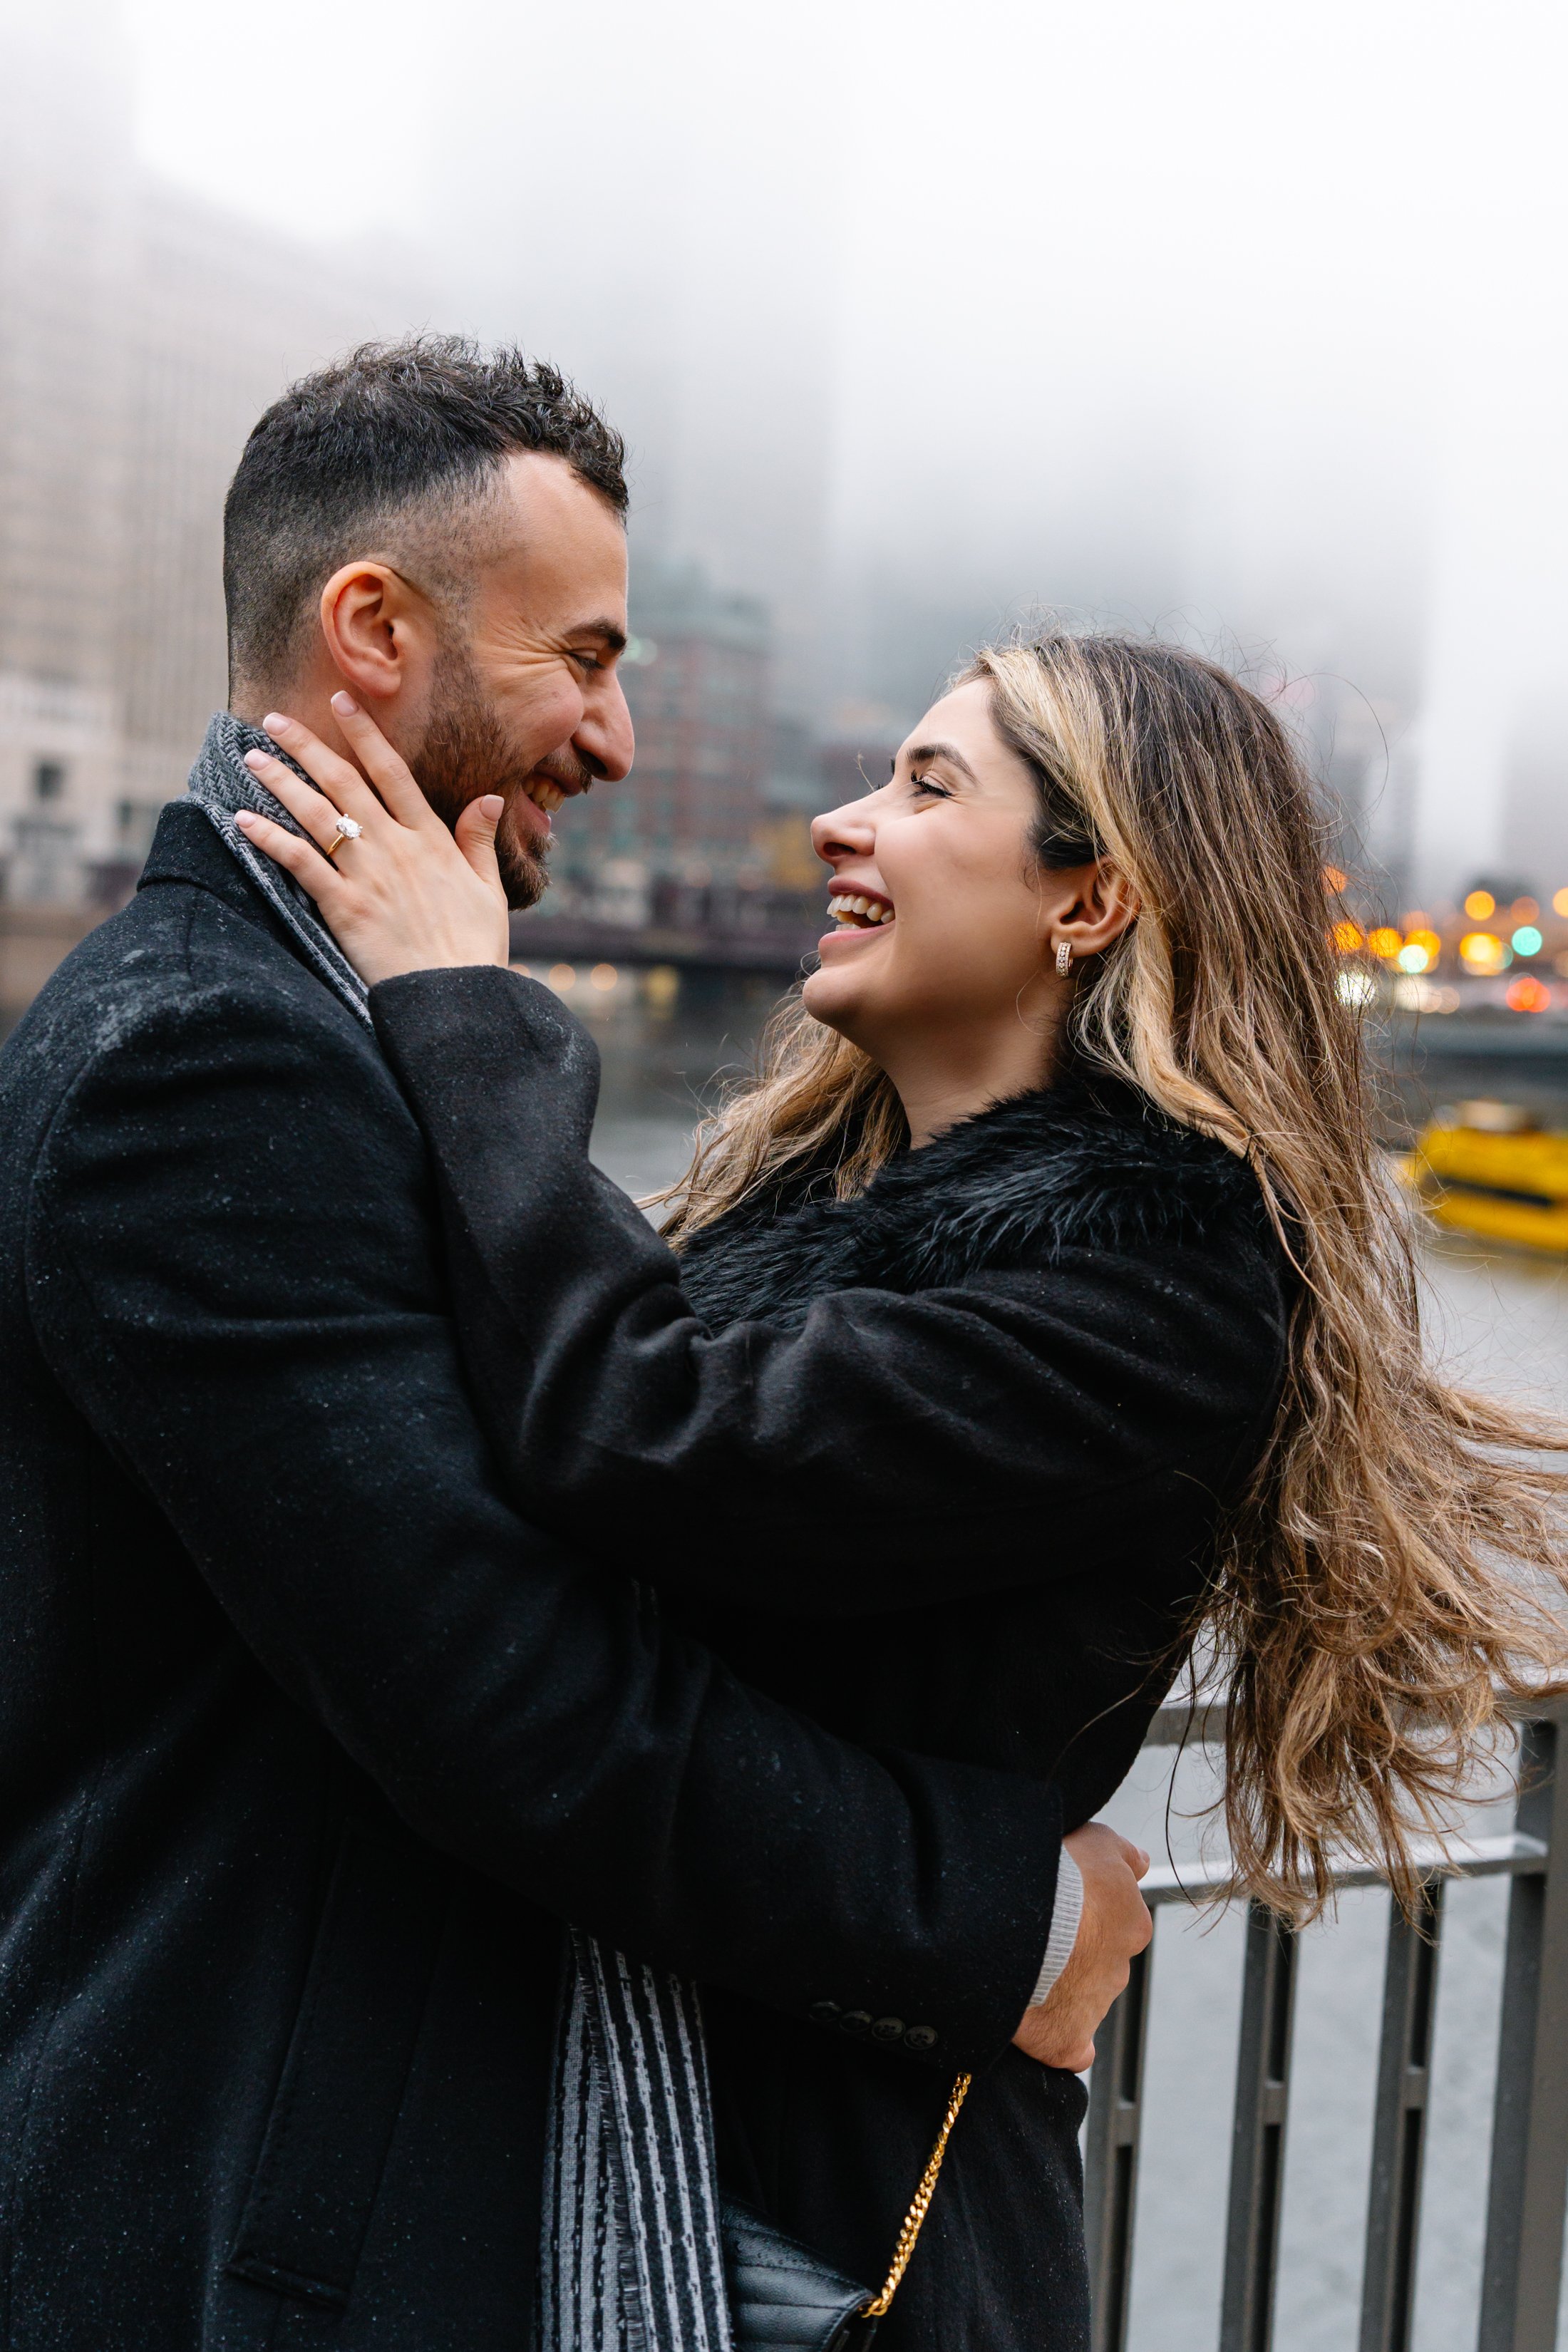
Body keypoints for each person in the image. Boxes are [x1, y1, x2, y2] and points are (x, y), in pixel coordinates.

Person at [0, 342, 1152, 2352]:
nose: (616, 735)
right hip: (249, 2195)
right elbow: (515, 1693)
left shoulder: (312, 1035)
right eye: (583, 657)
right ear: (376, 631)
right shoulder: (202, 1061)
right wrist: (1007, 1910)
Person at [242, 623, 1568, 2348]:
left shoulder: (1150, 1295)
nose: (841, 826)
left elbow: (641, 1434)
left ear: (1084, 901)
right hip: (614, 2132)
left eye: (924, 787)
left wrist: (465, 1006)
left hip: (821, 2238)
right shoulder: (803, 1225)